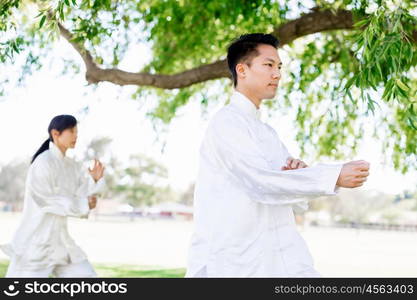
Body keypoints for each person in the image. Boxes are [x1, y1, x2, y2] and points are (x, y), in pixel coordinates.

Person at [185, 33, 370, 277]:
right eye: (269, 65)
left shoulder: (267, 133)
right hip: (233, 261)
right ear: (242, 70)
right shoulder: (227, 123)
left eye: (279, 66)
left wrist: (299, 172)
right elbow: (260, 183)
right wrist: (333, 175)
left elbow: (294, 200)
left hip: (278, 256)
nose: (277, 74)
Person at [1, 115, 105, 277]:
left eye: (77, 131)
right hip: (35, 247)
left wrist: (93, 180)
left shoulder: (71, 166)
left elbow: (81, 194)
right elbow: (48, 201)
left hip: (62, 245)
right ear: (55, 134)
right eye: (71, 131)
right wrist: (83, 204)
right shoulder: (42, 163)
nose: (76, 135)